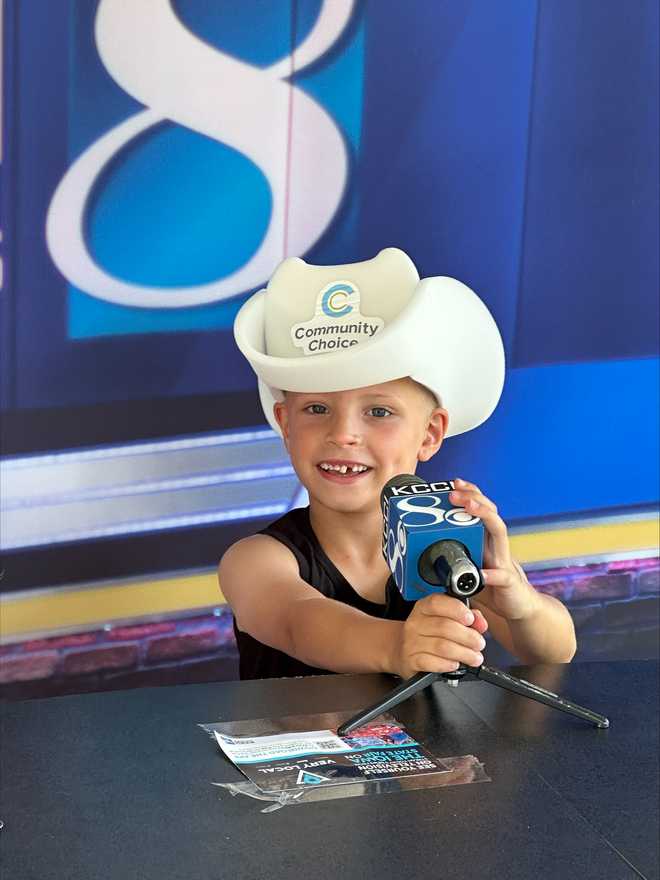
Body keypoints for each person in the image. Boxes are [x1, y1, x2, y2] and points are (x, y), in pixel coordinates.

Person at [221, 248, 576, 680]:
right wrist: (396, 646)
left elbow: (555, 651)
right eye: (316, 409)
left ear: (429, 434)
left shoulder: (450, 550)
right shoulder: (256, 561)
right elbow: (298, 621)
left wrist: (520, 604)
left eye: (379, 412)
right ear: (286, 425)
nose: (343, 434)